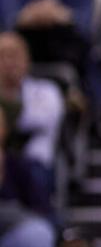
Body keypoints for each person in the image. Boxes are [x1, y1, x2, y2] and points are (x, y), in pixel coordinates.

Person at [0, 106, 56, 247]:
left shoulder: (19, 165)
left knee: (36, 237)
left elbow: (43, 209)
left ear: (4, 130)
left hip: (15, 238)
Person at [0, 31, 64, 199]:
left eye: (13, 55)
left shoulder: (46, 91)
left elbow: (36, 120)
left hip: (35, 164)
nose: (8, 63)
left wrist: (7, 97)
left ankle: (45, 222)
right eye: (2, 56)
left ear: (26, 59)